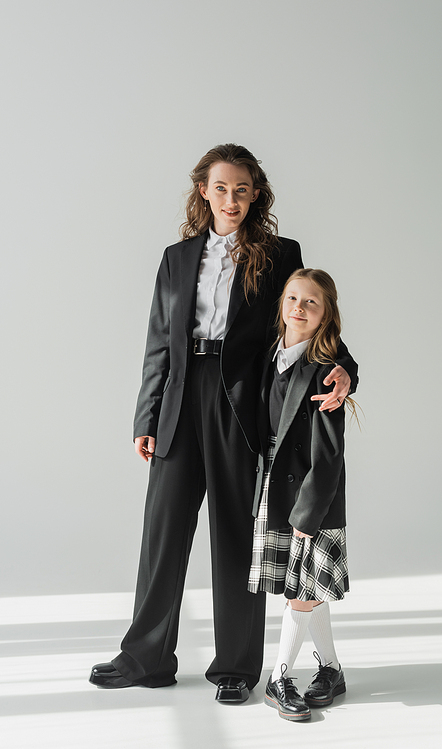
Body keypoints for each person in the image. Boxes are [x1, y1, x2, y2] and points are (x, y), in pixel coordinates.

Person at [89, 145, 358, 701]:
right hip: (180, 400)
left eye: (241, 189)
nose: (230, 199)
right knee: (162, 532)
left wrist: (344, 369)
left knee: (237, 535)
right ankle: (146, 657)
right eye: (220, 188)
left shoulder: (281, 253)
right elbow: (159, 342)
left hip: (242, 403)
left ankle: (236, 666)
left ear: (255, 193)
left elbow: (309, 315)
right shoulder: (177, 257)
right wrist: (147, 414)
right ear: (203, 192)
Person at [248, 268, 353, 721]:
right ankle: (331, 669)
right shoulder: (272, 355)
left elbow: (329, 455)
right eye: (293, 298)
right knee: (308, 591)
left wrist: (308, 514)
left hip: (313, 498)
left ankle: (278, 677)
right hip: (277, 488)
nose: (299, 307)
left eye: (312, 302)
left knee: (302, 595)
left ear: (326, 312)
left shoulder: (327, 371)